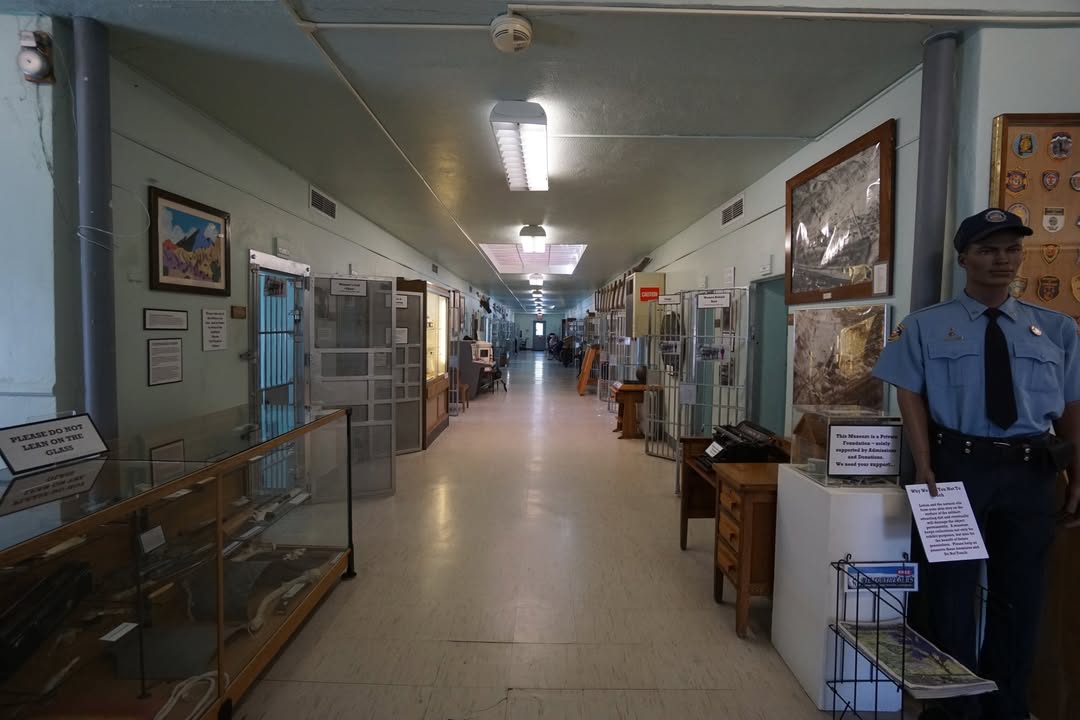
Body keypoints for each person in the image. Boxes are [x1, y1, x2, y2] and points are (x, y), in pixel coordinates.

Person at [873, 207, 1079, 720]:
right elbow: (909, 393)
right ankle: (954, 710)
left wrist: (1077, 471)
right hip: (956, 470)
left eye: (1011, 249)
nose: (1001, 260)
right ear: (964, 258)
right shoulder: (923, 326)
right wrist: (924, 462)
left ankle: (1007, 707)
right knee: (949, 594)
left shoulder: (1057, 329)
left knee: (1021, 597)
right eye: (987, 250)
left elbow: (1071, 405)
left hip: (1031, 471)